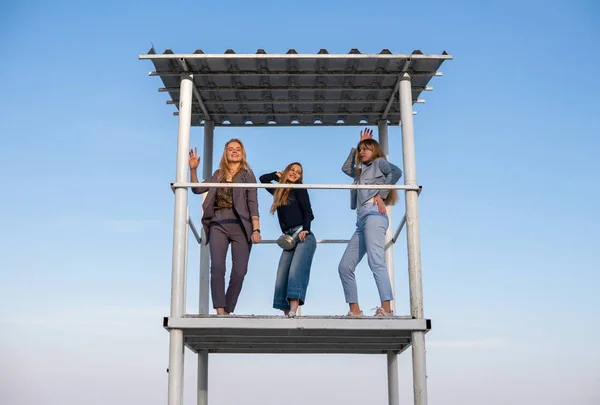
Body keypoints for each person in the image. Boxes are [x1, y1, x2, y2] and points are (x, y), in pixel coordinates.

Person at [189, 138, 262, 315]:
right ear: (225, 153)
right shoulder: (218, 174)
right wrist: (193, 169)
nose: (234, 151)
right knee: (218, 267)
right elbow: (197, 189)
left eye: (238, 149)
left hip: (241, 225)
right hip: (219, 223)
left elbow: (253, 202)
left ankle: (228, 309)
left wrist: (256, 229)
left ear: (243, 153)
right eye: (231, 149)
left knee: (240, 271)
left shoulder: (247, 175)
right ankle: (220, 310)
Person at [338, 128, 403, 317]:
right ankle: (355, 310)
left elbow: (396, 172)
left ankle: (387, 309)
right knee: (344, 266)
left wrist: (381, 195)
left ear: (374, 151)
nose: (362, 152)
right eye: (360, 150)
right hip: (361, 220)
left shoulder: (379, 163)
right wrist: (355, 147)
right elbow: (345, 169)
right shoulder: (359, 173)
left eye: (366, 149)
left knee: (375, 261)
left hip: (374, 215)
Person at [260, 163, 316, 318]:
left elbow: (308, 211)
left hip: (302, 234)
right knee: (282, 273)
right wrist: (276, 175)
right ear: (285, 171)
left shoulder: (299, 189)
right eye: (292, 170)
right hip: (288, 238)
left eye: (298, 172)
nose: (294, 173)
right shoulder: (279, 191)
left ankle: (293, 310)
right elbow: (263, 179)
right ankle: (286, 314)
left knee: (295, 272)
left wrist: (305, 229)